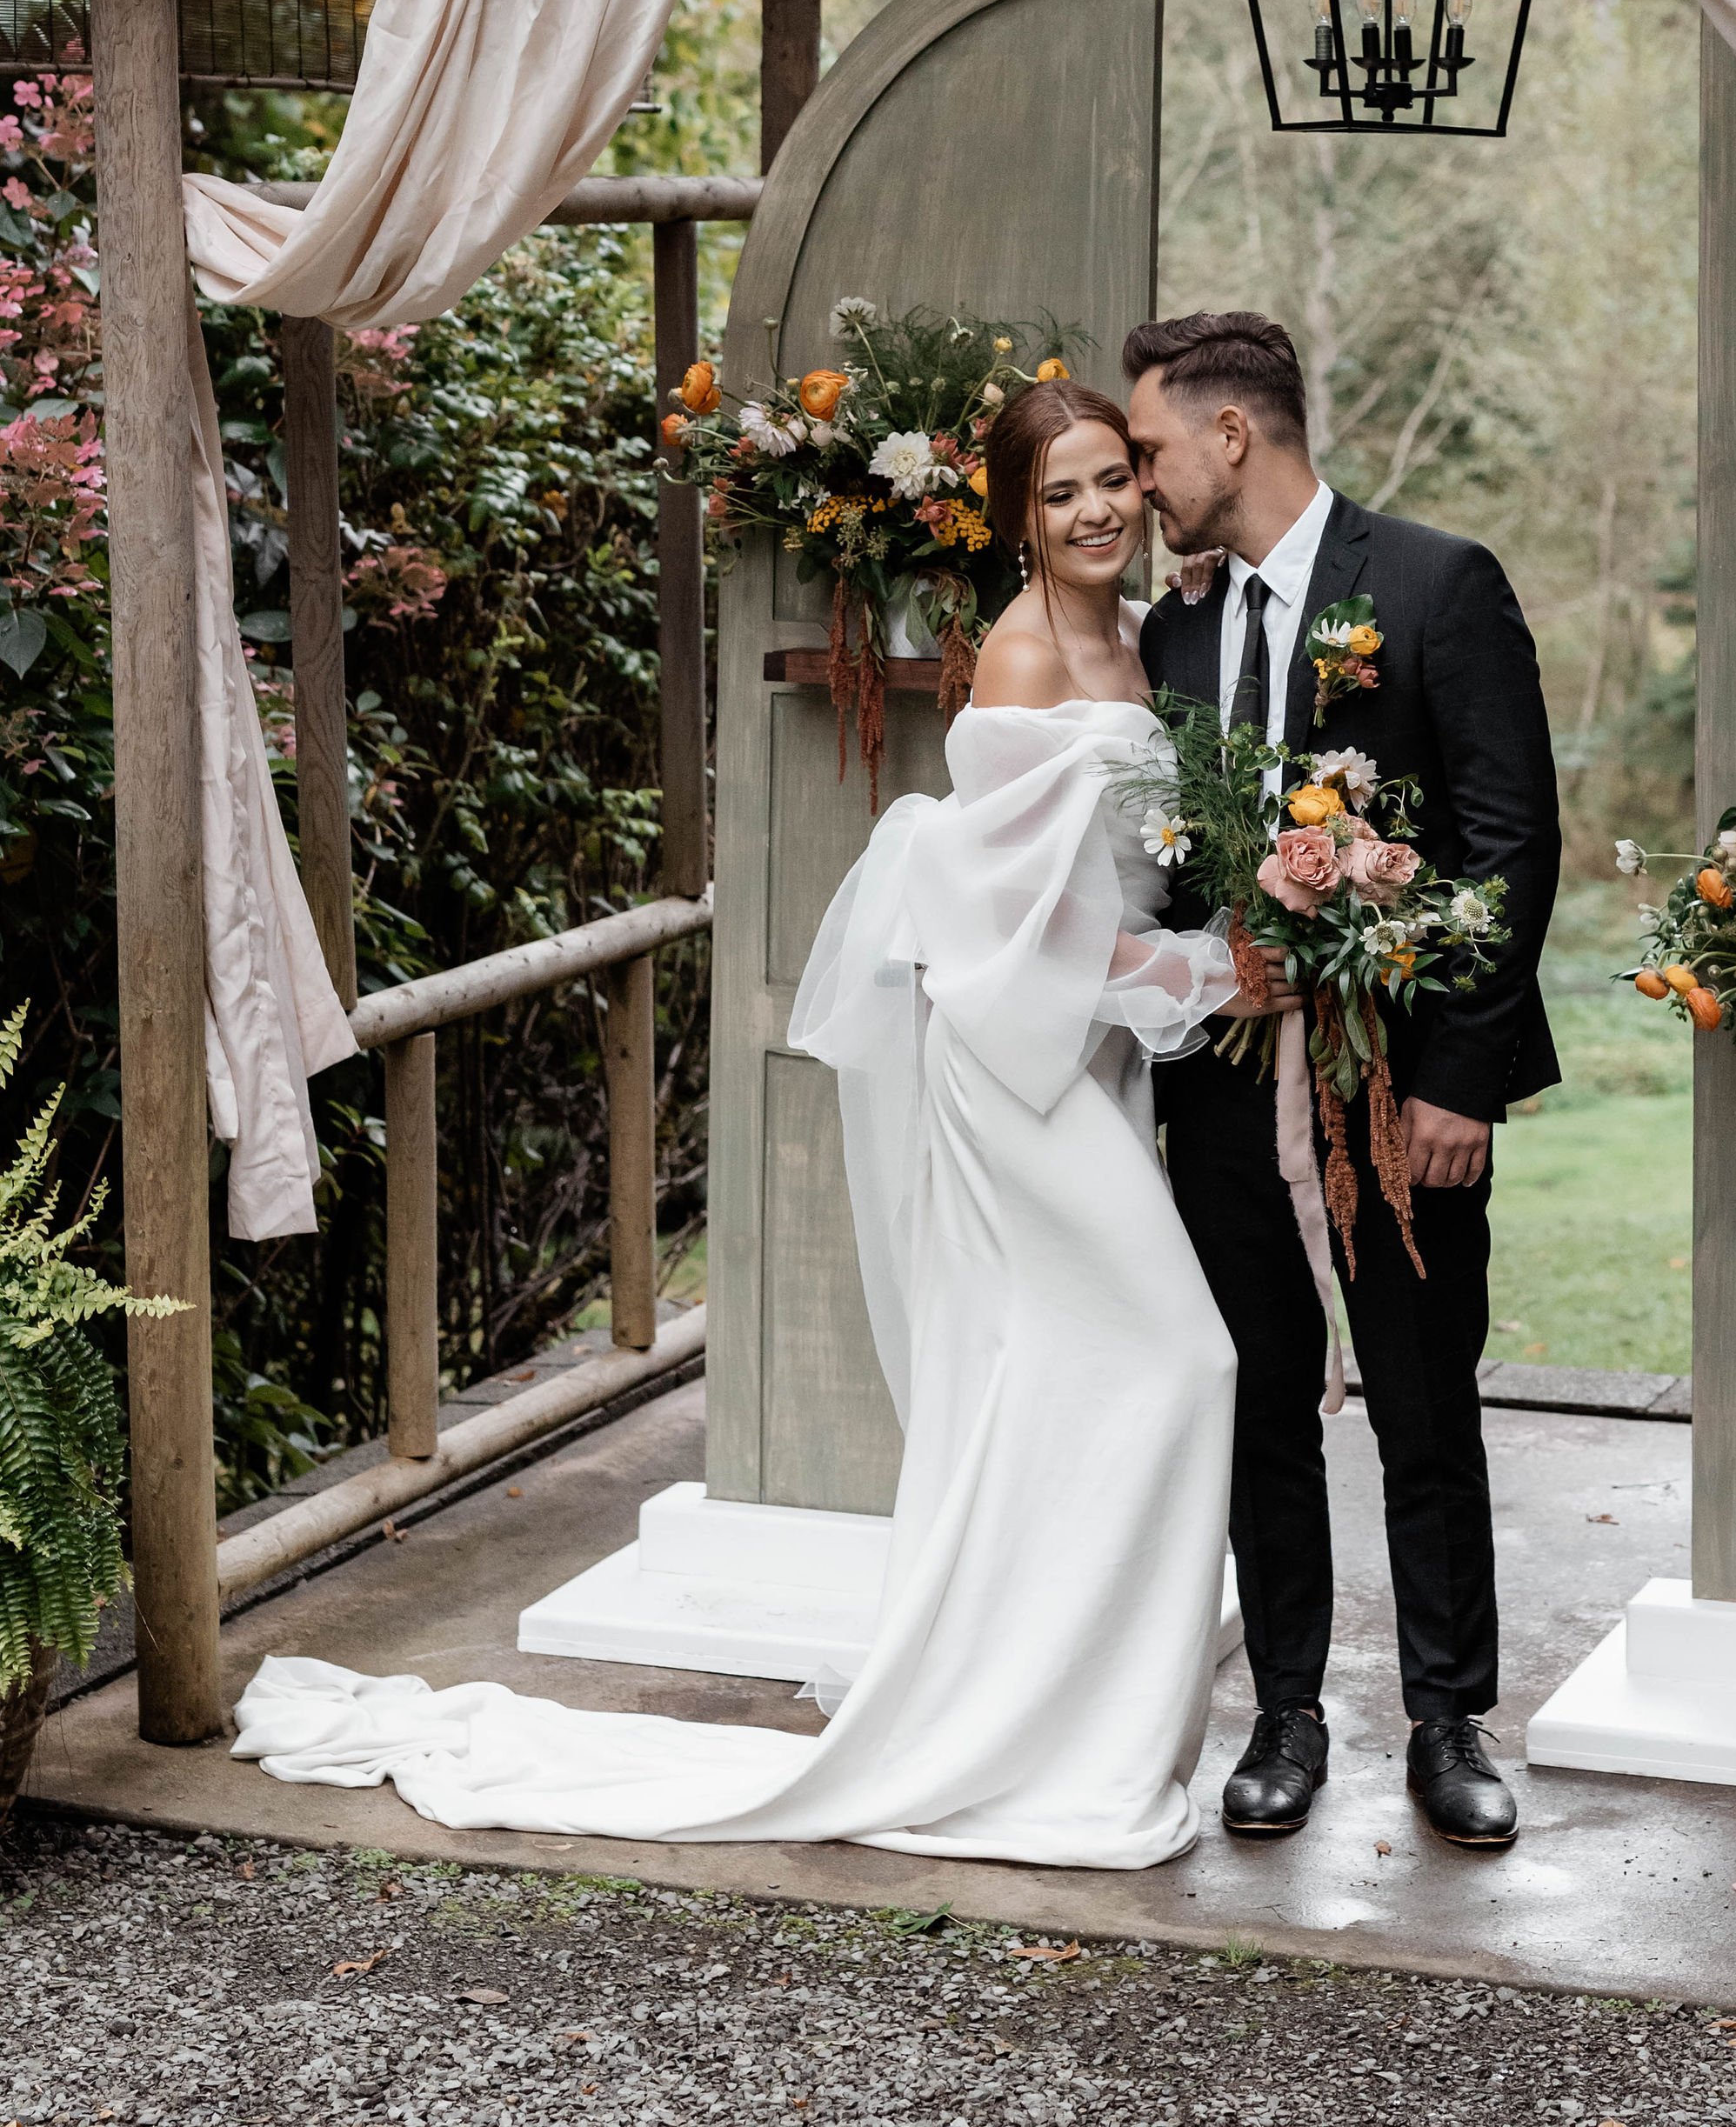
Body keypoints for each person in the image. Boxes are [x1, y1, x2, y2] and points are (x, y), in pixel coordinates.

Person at [231, 379, 1277, 1869]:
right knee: (1182, 1357)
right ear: (1017, 517)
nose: (1098, 509)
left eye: (1114, 478)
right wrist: (1215, 972)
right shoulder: (1030, 654)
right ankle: (1050, 1728)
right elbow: (1014, 941)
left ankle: (1080, 1717)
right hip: (1018, 1066)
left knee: (1063, 1384)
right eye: (1061, 495)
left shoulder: (1139, 634)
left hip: (1090, 1064)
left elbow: (1124, 870)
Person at [1126, 310, 1561, 1852]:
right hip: (1227, 1090)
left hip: (1399, 1092)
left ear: (1234, 434)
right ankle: (1289, 1712)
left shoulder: (1440, 584)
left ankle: (1450, 1720)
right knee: (1258, 1395)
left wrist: (1457, 1078)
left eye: (1156, 448)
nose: (1142, 479)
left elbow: (1511, 844)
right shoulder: (1169, 631)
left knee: (1425, 1397)